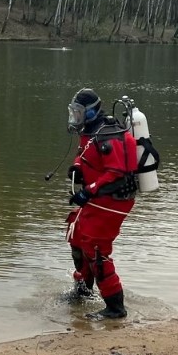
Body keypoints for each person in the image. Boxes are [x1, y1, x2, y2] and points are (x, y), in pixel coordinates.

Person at [64, 87, 138, 319]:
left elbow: (116, 173)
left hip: (112, 201)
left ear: (90, 112)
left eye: (79, 112)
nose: (75, 117)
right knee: (76, 236)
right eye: (73, 112)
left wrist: (89, 191)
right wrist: (78, 167)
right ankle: (83, 291)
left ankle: (115, 307)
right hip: (99, 199)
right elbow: (85, 153)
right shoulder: (91, 132)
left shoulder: (109, 136)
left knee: (95, 249)